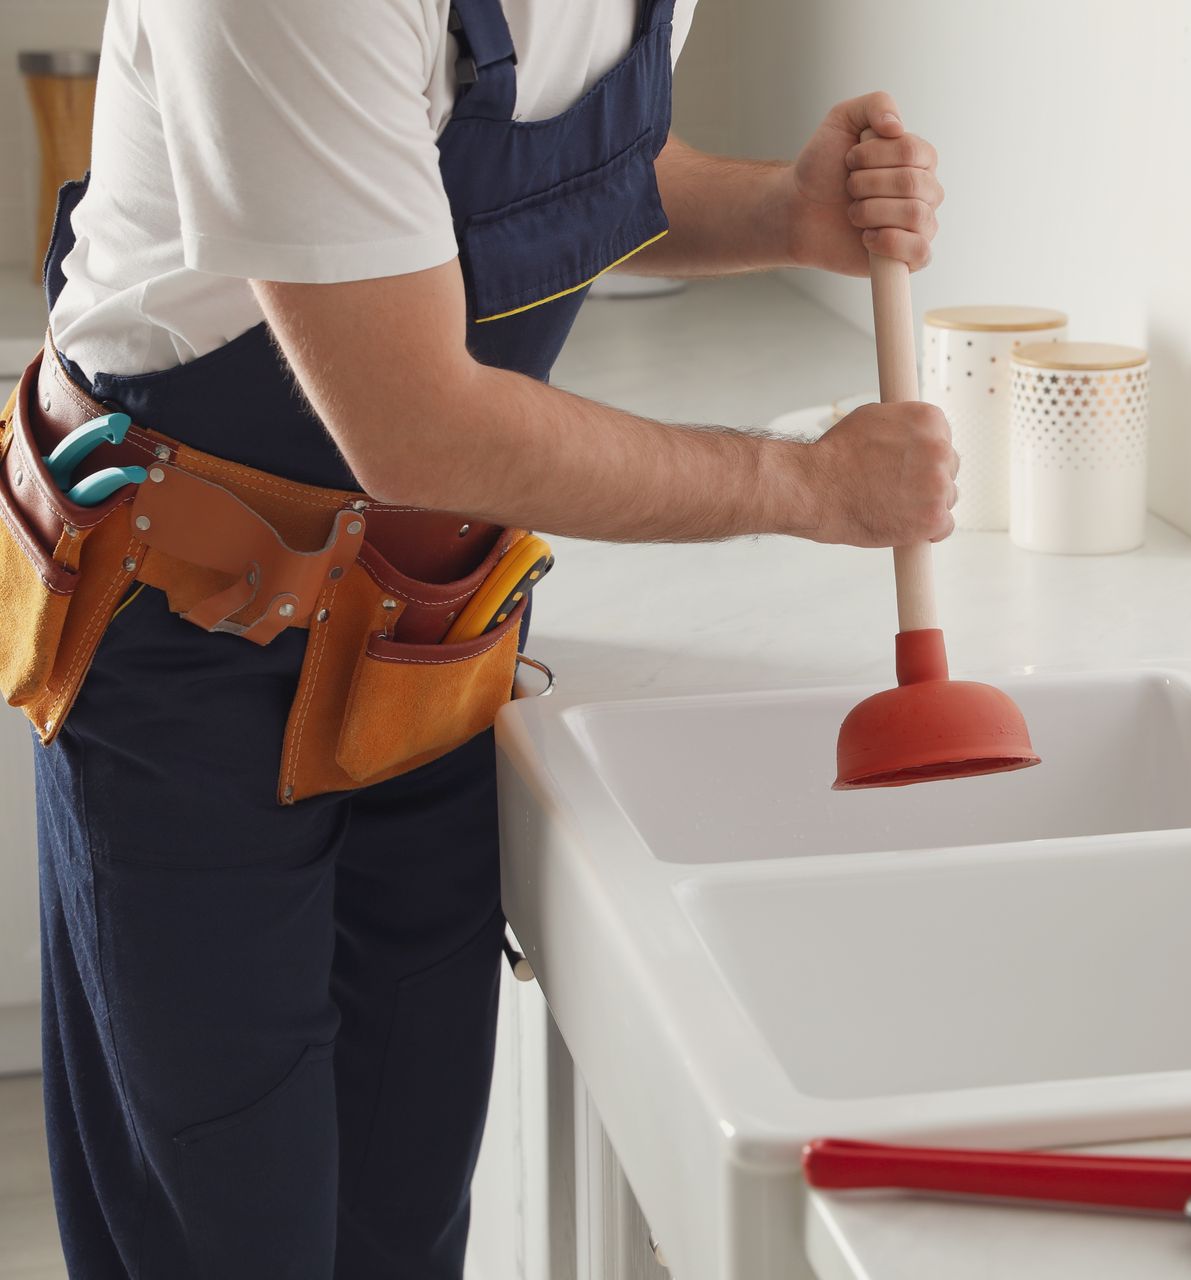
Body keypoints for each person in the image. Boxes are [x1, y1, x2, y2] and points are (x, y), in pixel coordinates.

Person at [17, 0, 951, 1275]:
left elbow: (509, 174)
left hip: (422, 634)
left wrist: (781, 211)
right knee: (227, 1229)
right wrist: (809, 488)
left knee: (401, 1218)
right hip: (183, 623)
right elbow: (414, 428)